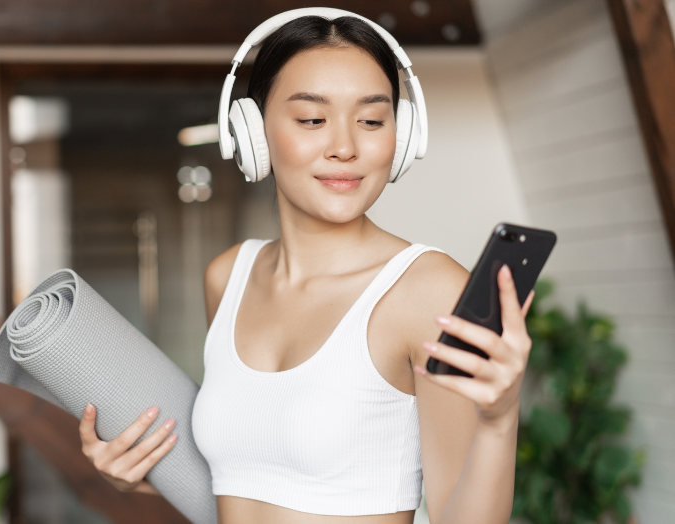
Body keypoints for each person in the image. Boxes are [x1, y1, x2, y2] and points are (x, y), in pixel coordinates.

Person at [78, 13, 533, 524]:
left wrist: (498, 420)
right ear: (251, 132)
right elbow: (253, 480)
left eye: (372, 121)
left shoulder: (427, 292)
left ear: (401, 140)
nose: (345, 147)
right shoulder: (228, 276)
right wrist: (136, 478)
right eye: (312, 120)